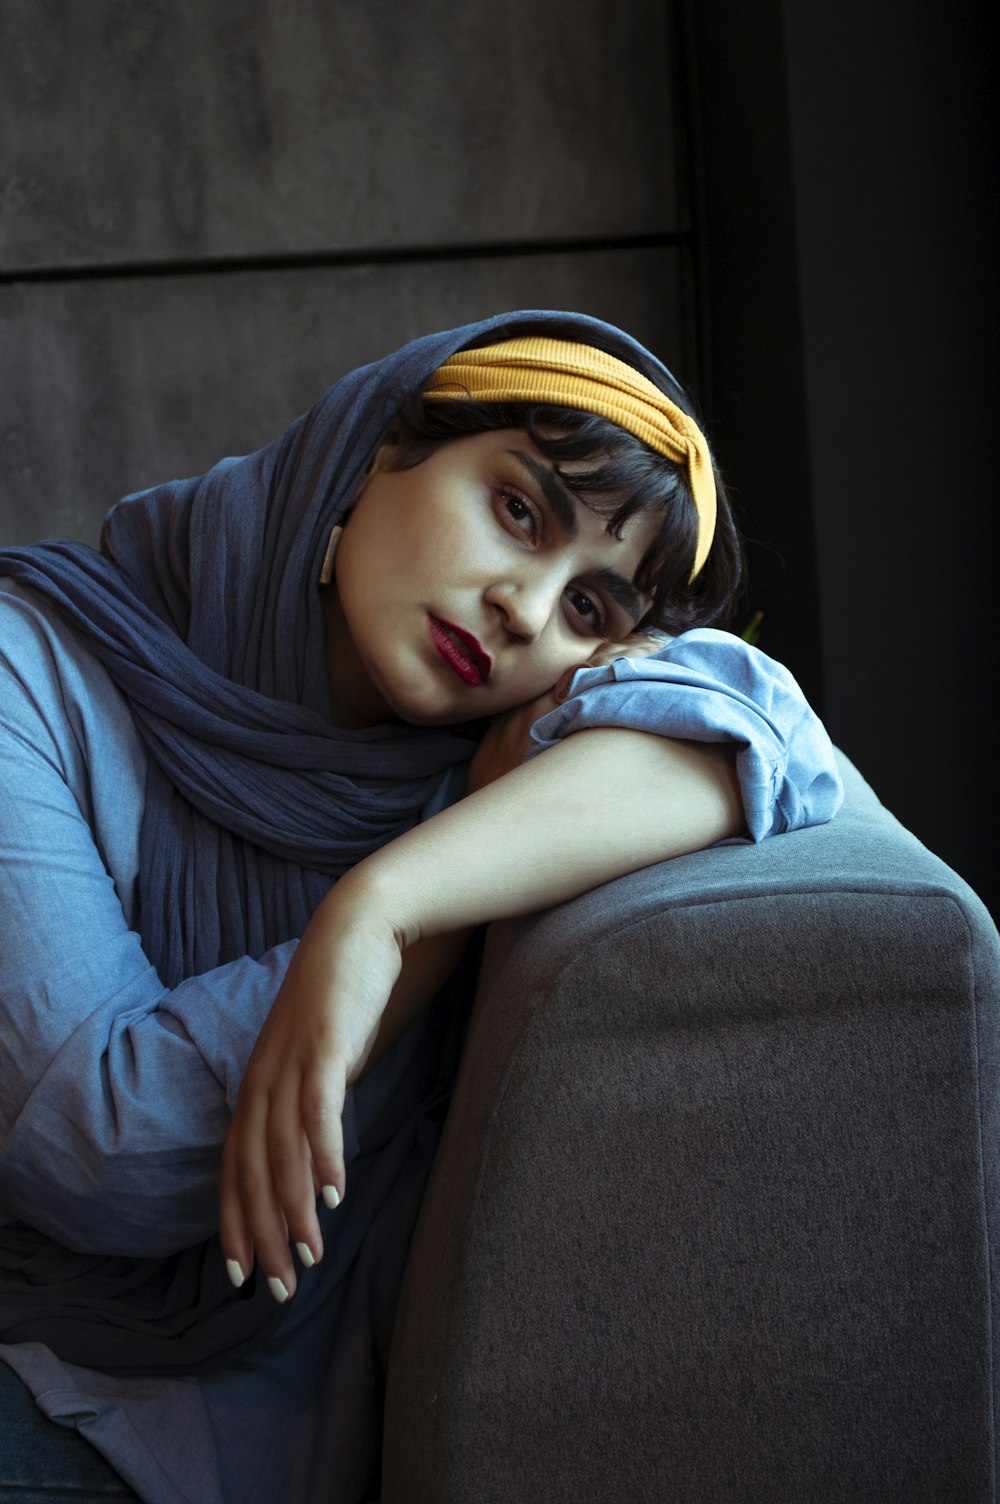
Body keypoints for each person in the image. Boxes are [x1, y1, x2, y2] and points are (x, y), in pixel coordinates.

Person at [0, 311, 842, 1502]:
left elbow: (765, 730)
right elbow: (97, 1148)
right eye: (517, 509)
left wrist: (389, 897)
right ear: (376, 448)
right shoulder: (28, 672)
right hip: (45, 1351)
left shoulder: (495, 765)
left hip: (290, 1411)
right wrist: (424, 937)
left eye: (590, 610)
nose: (524, 611)